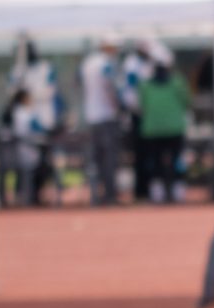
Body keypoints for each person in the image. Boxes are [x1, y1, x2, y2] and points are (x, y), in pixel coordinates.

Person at [133, 58, 190, 202]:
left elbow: (141, 106)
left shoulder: (145, 86)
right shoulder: (178, 82)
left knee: (155, 161)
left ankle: (157, 193)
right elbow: (187, 102)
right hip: (175, 128)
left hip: (152, 129)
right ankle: (178, 191)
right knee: (177, 159)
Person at [80, 36, 126, 204]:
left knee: (95, 159)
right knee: (109, 159)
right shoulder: (107, 64)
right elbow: (111, 88)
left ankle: (95, 194)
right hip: (106, 116)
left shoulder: (88, 63)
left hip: (91, 116)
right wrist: (119, 107)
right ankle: (109, 194)